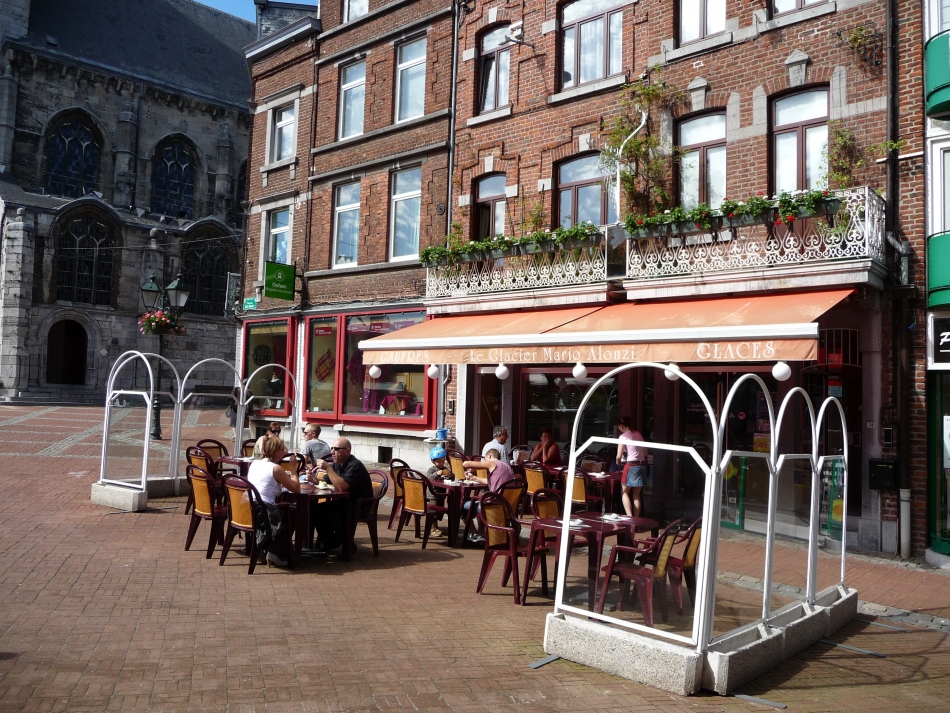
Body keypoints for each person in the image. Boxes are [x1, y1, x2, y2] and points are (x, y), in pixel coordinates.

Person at [246, 435, 300, 567]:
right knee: (292, 514)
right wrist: (293, 469)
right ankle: (276, 552)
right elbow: (296, 489)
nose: (285, 451)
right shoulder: (275, 468)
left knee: (285, 511)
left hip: (249, 507)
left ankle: (266, 548)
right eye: (282, 449)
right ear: (276, 451)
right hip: (263, 511)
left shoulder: (254, 463)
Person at [312, 438, 373, 553]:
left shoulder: (355, 466)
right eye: (332, 448)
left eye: (337, 449)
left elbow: (342, 486)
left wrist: (328, 468)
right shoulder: (337, 465)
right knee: (316, 509)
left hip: (360, 505)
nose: (332, 452)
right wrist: (313, 479)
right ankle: (330, 542)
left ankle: (347, 544)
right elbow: (326, 481)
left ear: (347, 451)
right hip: (344, 502)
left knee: (334, 513)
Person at [462, 449, 515, 541]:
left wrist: (475, 467)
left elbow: (465, 464)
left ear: (489, 456)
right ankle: (480, 534)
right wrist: (474, 478)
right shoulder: (507, 467)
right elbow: (490, 481)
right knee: (483, 499)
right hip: (506, 505)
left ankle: (475, 533)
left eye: (485, 459)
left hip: (492, 505)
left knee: (461, 504)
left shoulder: (493, 463)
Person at [615, 416, 648, 517]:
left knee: (624, 492)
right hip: (642, 465)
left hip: (631, 465)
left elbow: (618, 456)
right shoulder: (638, 434)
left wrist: (618, 463)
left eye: (618, 427)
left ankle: (630, 519)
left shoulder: (623, 437)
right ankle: (636, 520)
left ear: (621, 425)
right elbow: (646, 452)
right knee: (636, 495)